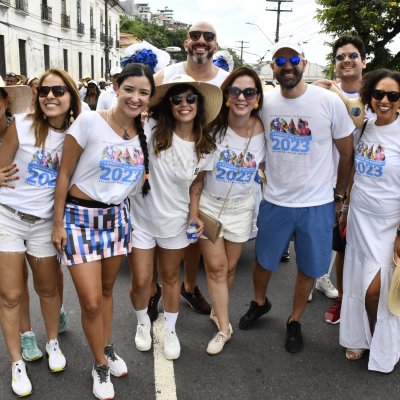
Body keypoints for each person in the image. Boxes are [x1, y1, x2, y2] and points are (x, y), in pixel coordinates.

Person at [238, 39, 354, 353]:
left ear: (302, 62)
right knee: (263, 262)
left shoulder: (328, 102)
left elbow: (347, 153)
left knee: (307, 267)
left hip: (316, 204)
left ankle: (295, 319)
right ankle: (260, 302)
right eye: (279, 60)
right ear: (272, 67)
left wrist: (339, 196)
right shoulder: (266, 103)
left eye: (292, 59)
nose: (286, 65)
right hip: (275, 201)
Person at [52, 63, 154, 400]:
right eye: (130, 89)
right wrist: (57, 223)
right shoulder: (90, 121)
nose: (135, 97)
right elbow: (64, 174)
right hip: (79, 220)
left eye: (144, 92)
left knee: (108, 290)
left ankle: (107, 348)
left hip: (115, 222)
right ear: (116, 86)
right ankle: (99, 363)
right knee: (91, 301)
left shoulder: (145, 132)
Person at [128, 75, 222, 360]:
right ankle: (143, 323)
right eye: (177, 99)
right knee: (141, 281)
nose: (184, 104)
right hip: (141, 218)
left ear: (199, 103)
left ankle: (169, 329)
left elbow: (196, 185)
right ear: (168, 105)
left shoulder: (206, 146)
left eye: (191, 98)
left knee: (170, 278)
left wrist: (194, 216)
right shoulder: (150, 128)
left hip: (176, 223)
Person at [0, 68, 81, 397]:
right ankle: (16, 361)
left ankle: (52, 343)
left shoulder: (77, 135)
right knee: (10, 295)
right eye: (45, 91)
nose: (50, 96)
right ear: (37, 96)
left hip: (46, 223)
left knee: (48, 290)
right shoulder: (20, 126)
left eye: (59, 91)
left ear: (70, 97)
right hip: (8, 217)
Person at [150, 21, 229, 319]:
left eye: (208, 36)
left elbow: (255, 101)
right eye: (195, 35)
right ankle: (155, 289)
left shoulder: (226, 79)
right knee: (161, 228)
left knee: (192, 230)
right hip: (167, 163)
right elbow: (142, 100)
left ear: (215, 44)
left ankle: (189, 286)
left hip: (208, 164)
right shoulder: (166, 75)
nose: (201, 41)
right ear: (186, 42)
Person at [199, 67, 264, 355]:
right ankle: (224, 328)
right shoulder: (212, 127)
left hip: (241, 207)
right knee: (216, 267)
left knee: (231, 268)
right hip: (209, 206)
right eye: (235, 91)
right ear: (226, 96)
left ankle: (217, 309)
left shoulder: (265, 130)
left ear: (258, 98)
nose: (241, 97)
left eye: (249, 92)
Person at [339, 68, 400, 372]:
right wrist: (346, 207)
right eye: (378, 94)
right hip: (360, 216)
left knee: (376, 289)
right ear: (370, 97)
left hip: (390, 223)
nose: (385, 100)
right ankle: (358, 336)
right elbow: (354, 172)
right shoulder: (362, 128)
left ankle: (382, 338)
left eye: (392, 95)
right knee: (355, 281)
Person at [314, 36, 373, 323]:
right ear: (335, 64)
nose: (346, 60)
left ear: (363, 60)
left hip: (369, 183)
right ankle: (322, 282)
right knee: (332, 239)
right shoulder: (324, 93)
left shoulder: (378, 95)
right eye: (340, 57)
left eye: (352, 55)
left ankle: (365, 299)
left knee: (364, 247)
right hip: (329, 179)